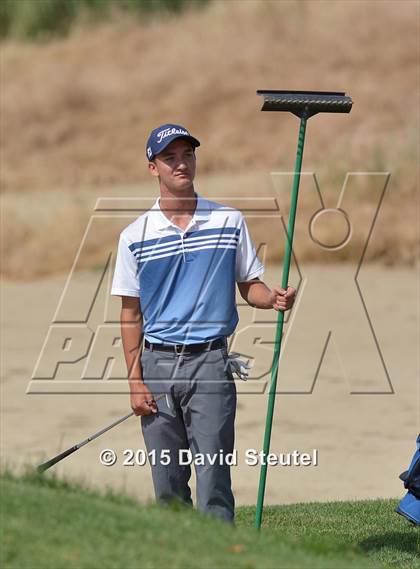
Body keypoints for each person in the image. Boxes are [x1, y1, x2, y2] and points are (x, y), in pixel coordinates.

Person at [111, 123, 296, 524]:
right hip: (157, 366)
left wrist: (273, 299)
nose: (181, 164)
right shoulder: (133, 237)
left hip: (211, 363)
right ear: (152, 168)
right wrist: (134, 380)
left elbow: (250, 285)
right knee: (168, 482)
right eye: (170, 157)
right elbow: (130, 314)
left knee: (213, 478)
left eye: (187, 155)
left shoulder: (228, 220)